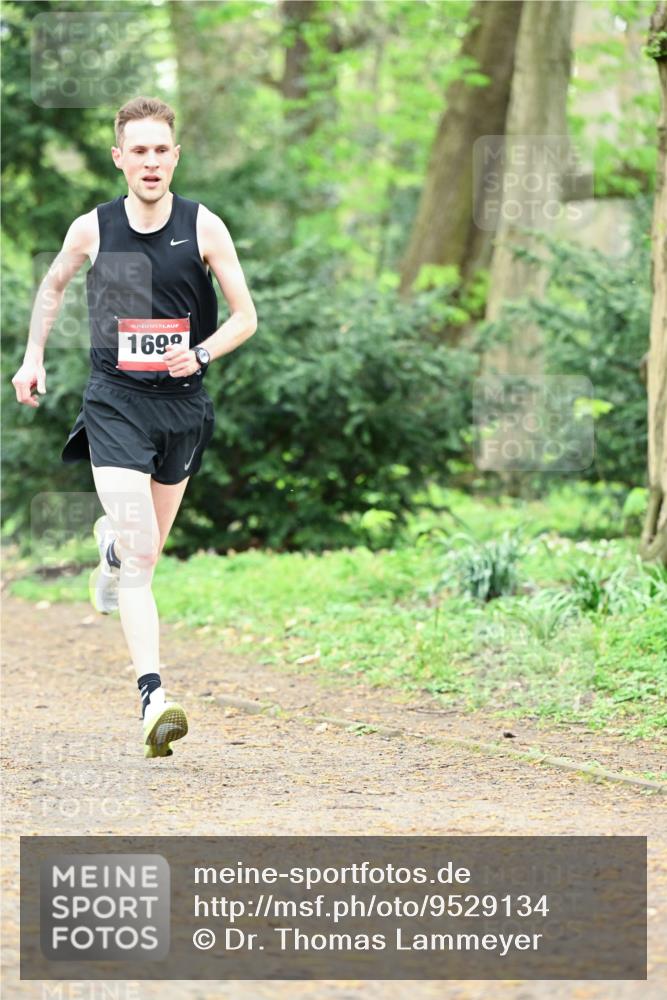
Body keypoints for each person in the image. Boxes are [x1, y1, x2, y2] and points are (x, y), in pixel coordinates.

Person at [11, 96, 258, 759]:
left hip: (181, 409)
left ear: (174, 156)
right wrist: (32, 357)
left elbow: (245, 317)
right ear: (119, 158)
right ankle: (153, 695)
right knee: (146, 559)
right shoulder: (92, 229)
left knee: (140, 548)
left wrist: (201, 352)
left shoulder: (203, 226)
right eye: (137, 150)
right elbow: (54, 287)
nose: (150, 162)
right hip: (114, 402)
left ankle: (112, 551)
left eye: (160, 150)